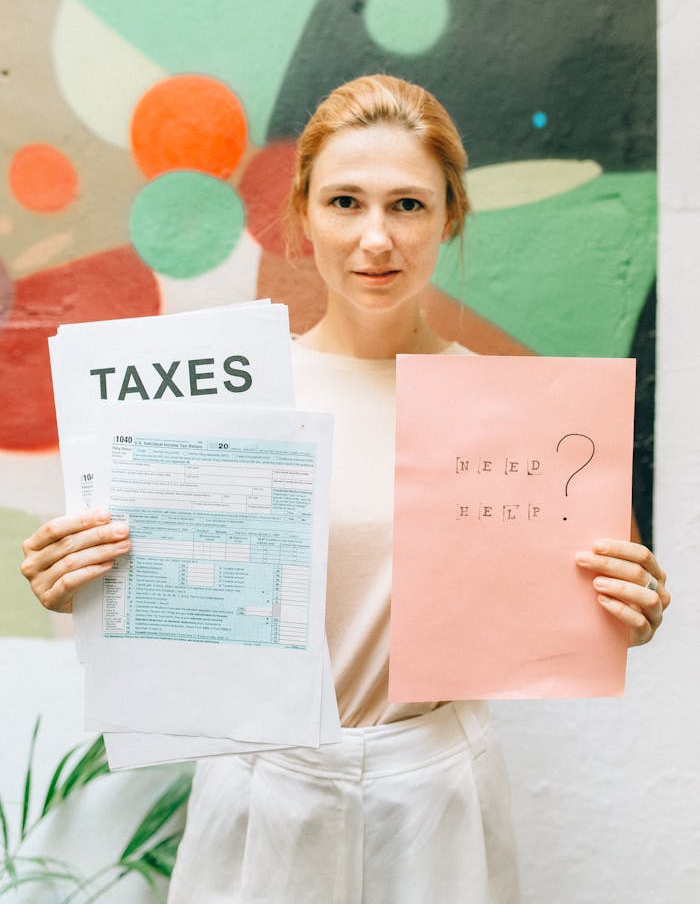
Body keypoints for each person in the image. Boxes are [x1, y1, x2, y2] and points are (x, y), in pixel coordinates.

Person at [21, 75, 670, 904]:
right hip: (262, 788)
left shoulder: (525, 420)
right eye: (344, 203)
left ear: (450, 216)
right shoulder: (232, 400)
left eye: (407, 205)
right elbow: (163, 593)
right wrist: (78, 583)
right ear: (301, 217)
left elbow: (559, 603)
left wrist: (621, 610)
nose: (376, 239)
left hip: (438, 792)